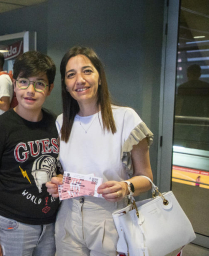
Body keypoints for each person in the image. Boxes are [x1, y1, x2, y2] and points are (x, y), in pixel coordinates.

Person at [46, 46, 154, 256]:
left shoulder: (125, 118)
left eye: (87, 71)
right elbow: (67, 172)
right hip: (68, 215)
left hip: (110, 217)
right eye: (71, 74)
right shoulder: (62, 122)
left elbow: (147, 178)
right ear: (65, 85)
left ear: (100, 77)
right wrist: (59, 182)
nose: (80, 79)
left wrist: (126, 187)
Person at [0, 51, 60, 256]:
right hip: (12, 227)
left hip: (51, 225)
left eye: (39, 83)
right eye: (23, 82)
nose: (30, 90)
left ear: (50, 89)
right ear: (14, 85)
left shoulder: (56, 124)